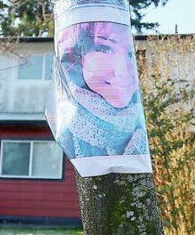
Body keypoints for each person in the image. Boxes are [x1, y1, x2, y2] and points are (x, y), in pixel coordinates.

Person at [51, 21, 149, 161]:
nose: (123, 71)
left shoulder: (143, 127)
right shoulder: (66, 132)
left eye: (130, 54)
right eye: (105, 49)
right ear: (77, 56)